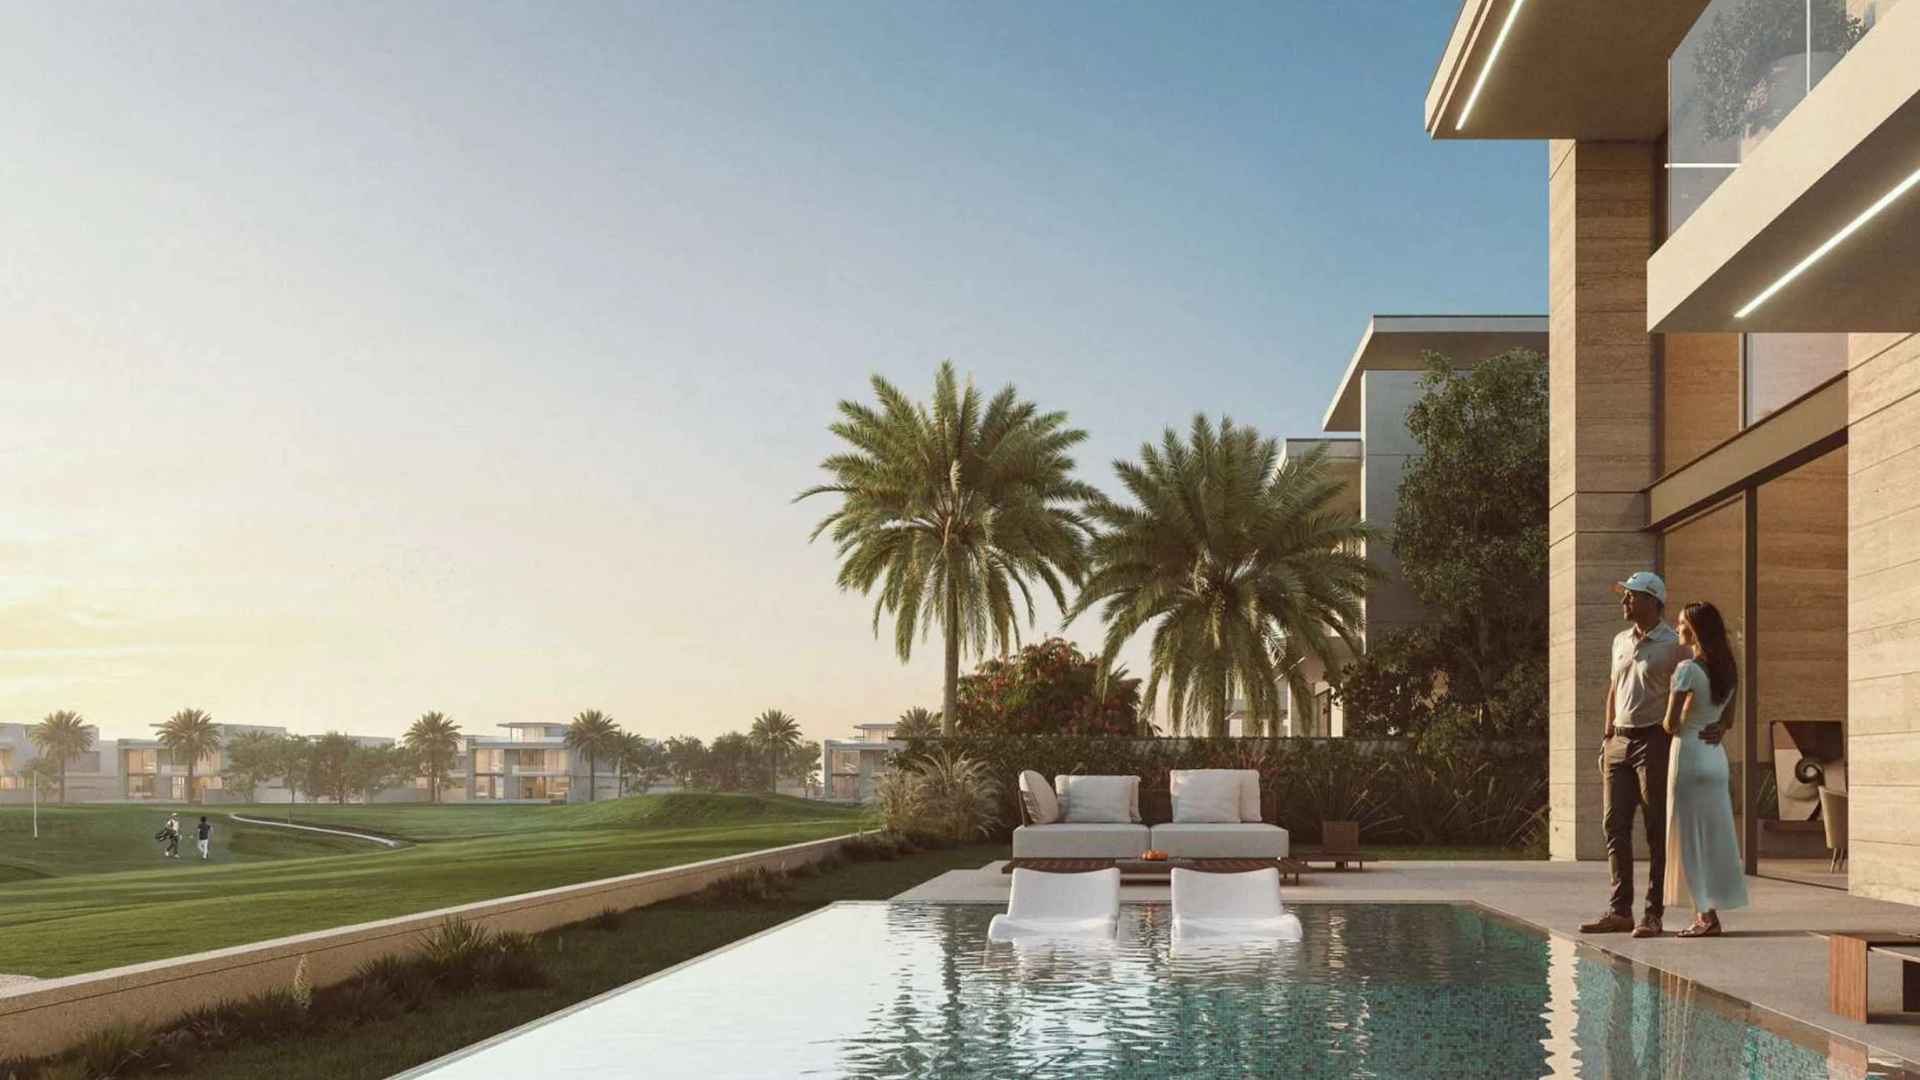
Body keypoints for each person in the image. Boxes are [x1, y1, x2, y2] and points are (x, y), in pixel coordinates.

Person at [1581, 572, 1695, 939]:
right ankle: (1620, 911)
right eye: (1624, 596)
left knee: (1655, 827)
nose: (1624, 602)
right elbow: (1614, 689)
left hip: (1654, 743)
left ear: (1652, 600)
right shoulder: (1619, 641)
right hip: (1618, 742)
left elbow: (1693, 687)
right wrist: (1606, 736)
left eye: (1631, 596)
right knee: (1614, 825)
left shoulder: (1675, 645)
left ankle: (1653, 914)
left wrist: (1696, 726)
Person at [1662, 601, 1748, 937]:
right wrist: (1714, 723)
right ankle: (1708, 911)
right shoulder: (1729, 668)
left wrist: (1682, 717)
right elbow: (1728, 720)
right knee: (1713, 836)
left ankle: (1706, 917)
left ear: (1695, 629)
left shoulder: (1687, 670)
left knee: (1689, 838)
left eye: (1682, 623)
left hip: (1690, 756)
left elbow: (1670, 725)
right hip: (1715, 758)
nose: (1677, 627)